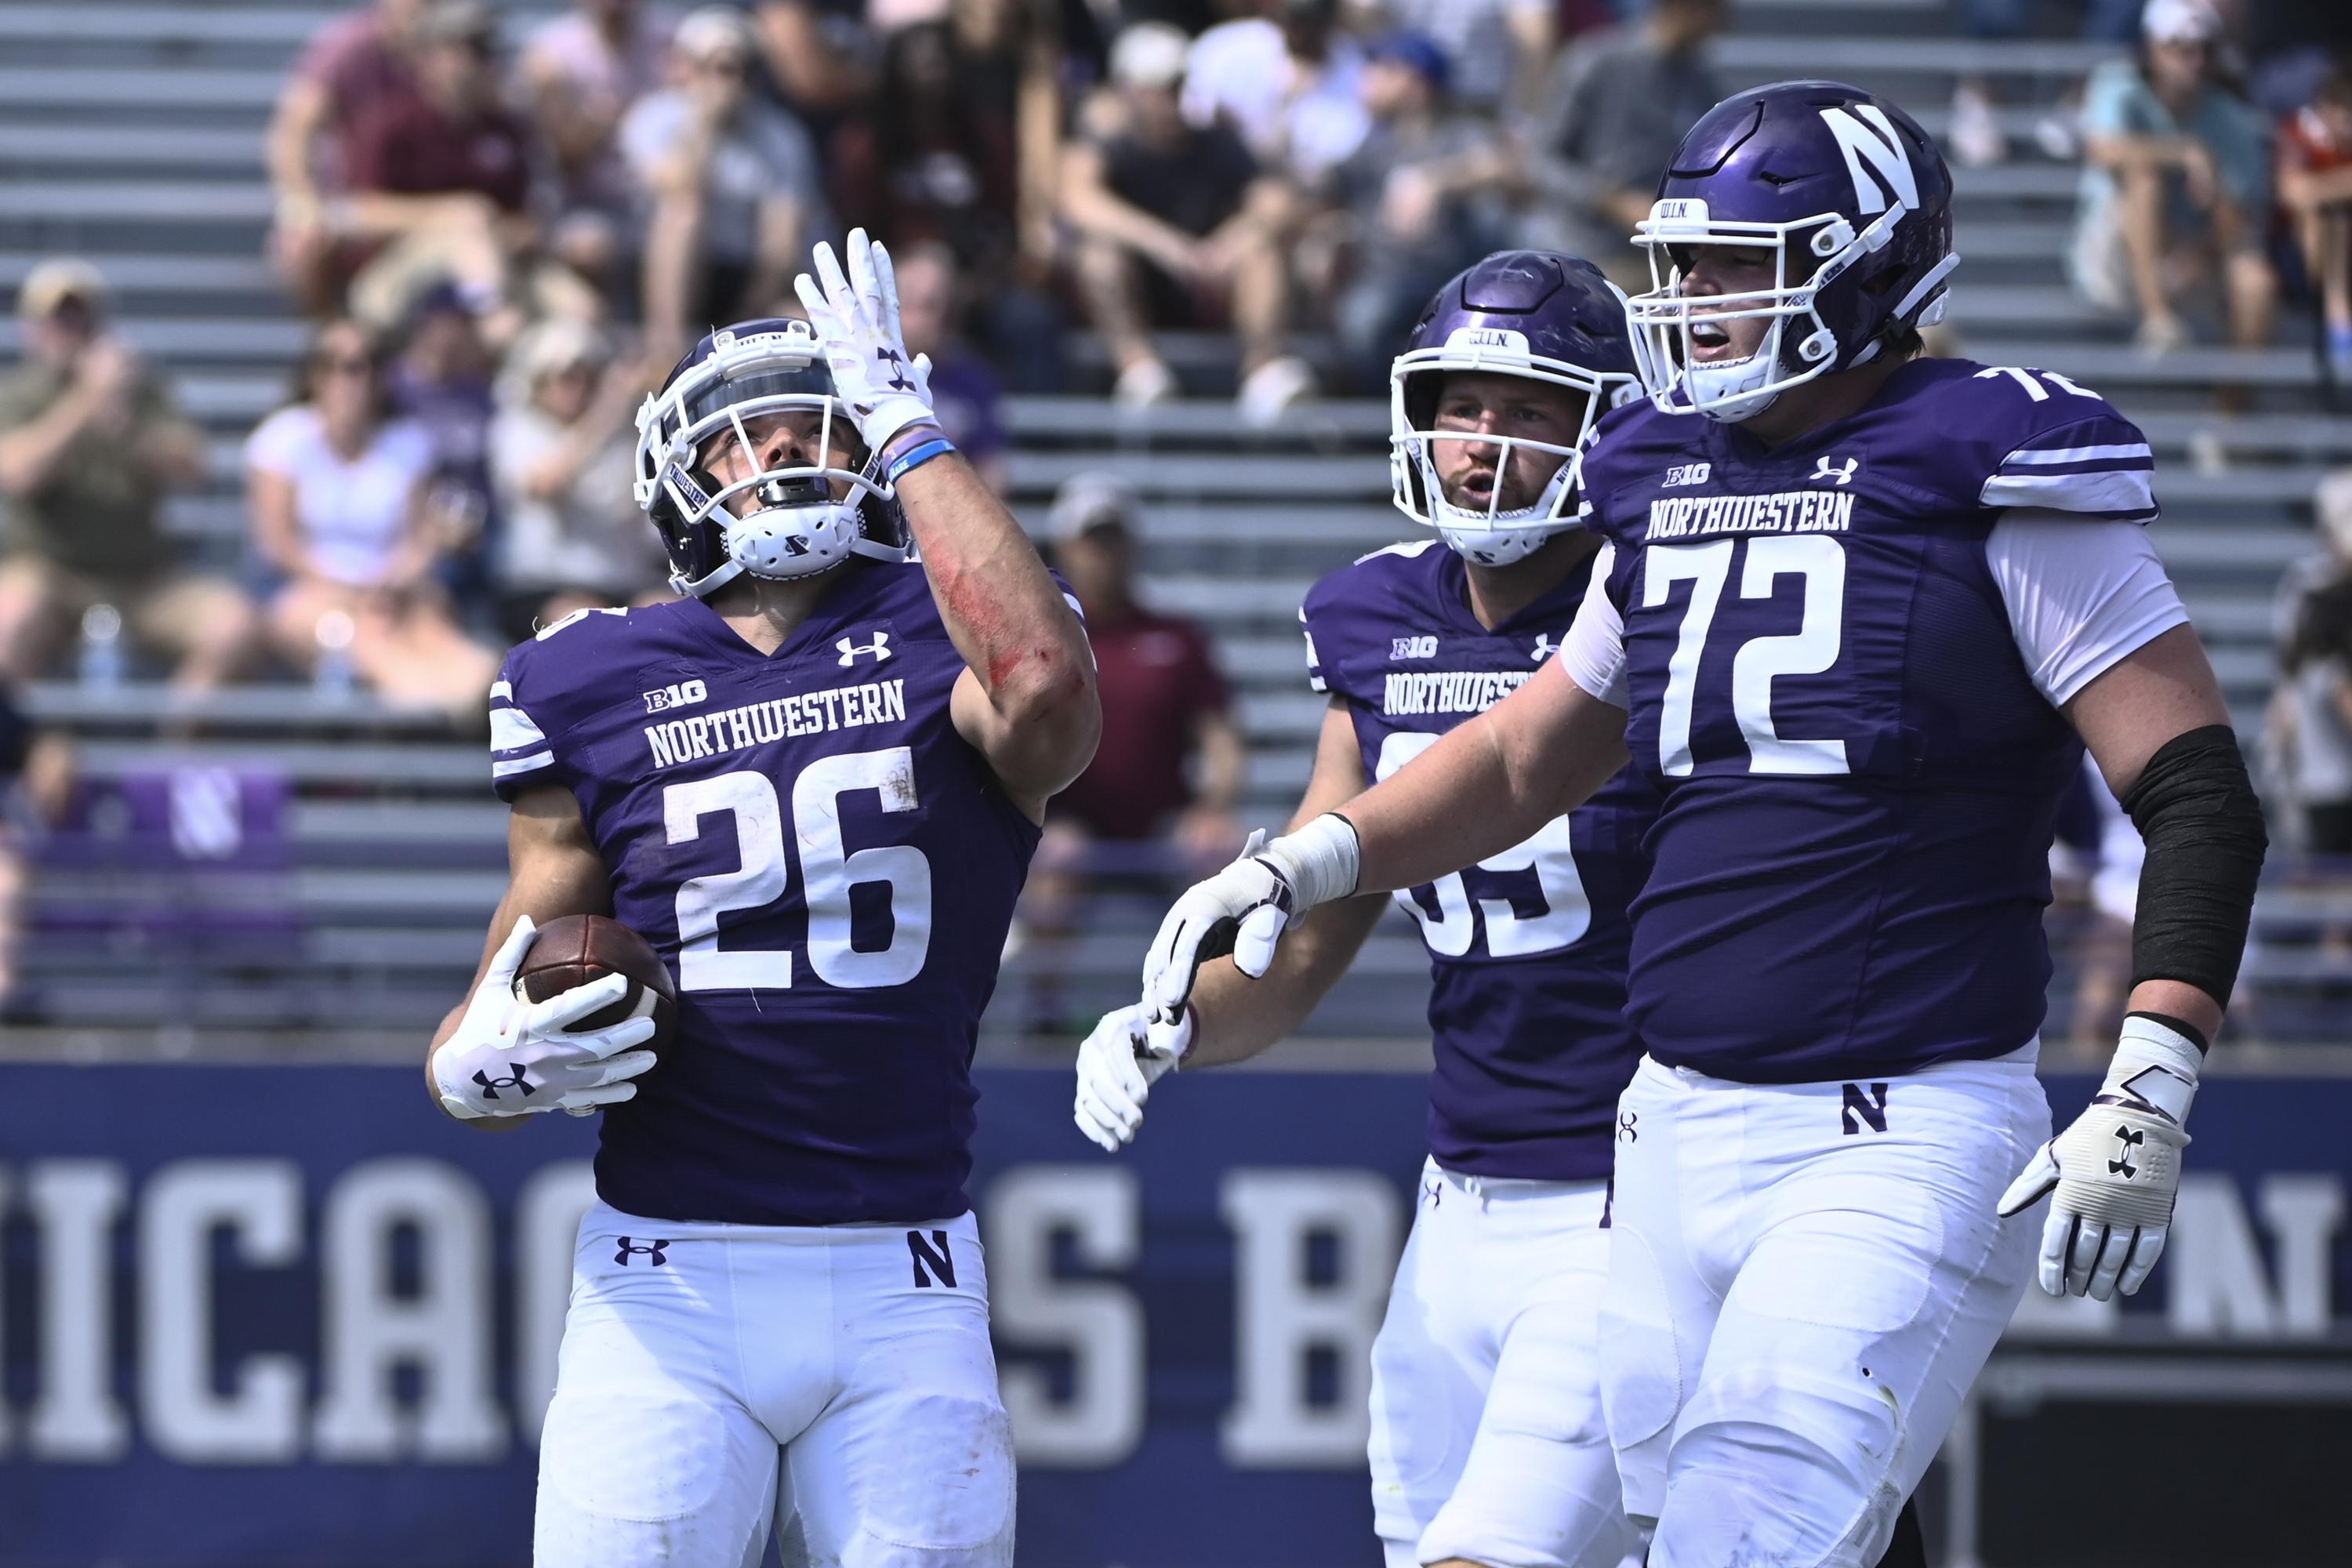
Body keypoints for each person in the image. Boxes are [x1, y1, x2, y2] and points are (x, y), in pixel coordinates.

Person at [1138, 81, 2267, 1566]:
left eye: (1742, 262)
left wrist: (2154, 1072)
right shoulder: (1663, 473)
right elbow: (1532, 749)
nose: (1696, 300)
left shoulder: (1981, 462)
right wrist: (1307, 859)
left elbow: (2194, 788)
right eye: (1685, 265)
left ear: (1867, 263)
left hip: (1896, 1117)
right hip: (1668, 1131)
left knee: (1750, 1531)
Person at [426, 232, 1098, 1563]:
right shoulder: (584, 675)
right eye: (741, 438)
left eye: (811, 426)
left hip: (904, 1273)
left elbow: (1045, 692)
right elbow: (524, 944)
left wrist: (909, 422)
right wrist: (466, 1062)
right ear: (680, 474)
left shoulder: (940, 630)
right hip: (662, 1277)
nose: (779, 455)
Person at [1076, 249, 1655, 1568]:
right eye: (1463, 405)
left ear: (1602, 422)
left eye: (1527, 408)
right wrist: (1176, 1026)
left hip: (1635, 1196)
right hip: (1458, 1207)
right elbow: (1316, 929)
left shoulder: (1658, 606)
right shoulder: (1375, 614)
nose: (1484, 443)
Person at [0, 260, 257, 697]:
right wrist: (85, 404)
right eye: (58, 317)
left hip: (142, 579)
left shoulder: (142, 391)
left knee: (235, 626)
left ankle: (172, 751)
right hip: (49, 573)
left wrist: (128, 429)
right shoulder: (18, 393)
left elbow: (194, 468)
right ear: (34, 327)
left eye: (79, 315)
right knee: (8, 620)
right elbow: (18, 473)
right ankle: (28, 747)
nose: (70, 328)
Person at [1058, 20, 1314, 421]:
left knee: (1261, 252)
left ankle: (1262, 368)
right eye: (1156, 87)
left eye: (1176, 85)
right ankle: (1137, 366)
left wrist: (1227, 246)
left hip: (1212, 282)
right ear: (1129, 91)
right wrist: (1166, 245)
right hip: (1144, 282)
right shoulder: (1108, 148)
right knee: (1098, 257)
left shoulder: (1217, 142)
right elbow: (1077, 200)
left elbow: (1276, 202)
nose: (1169, 99)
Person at [245, 317, 499, 717]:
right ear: (313, 376)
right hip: (309, 588)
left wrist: (395, 580)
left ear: (381, 378)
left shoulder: (408, 443)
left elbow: (421, 537)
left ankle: (472, 683)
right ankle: (437, 698)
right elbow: (278, 543)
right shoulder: (283, 439)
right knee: (358, 634)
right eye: (332, 365)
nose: (349, 379)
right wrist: (347, 588)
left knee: (430, 625)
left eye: (362, 365)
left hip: (392, 588)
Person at [2072, 0, 2277, 359]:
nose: (2194, 61)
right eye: (2180, 49)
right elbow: (2103, 151)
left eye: (2204, 50)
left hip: (2195, 252)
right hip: (2115, 250)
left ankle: (2231, 409)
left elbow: (2240, 213)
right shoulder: (2118, 84)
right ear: (2152, 47)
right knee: (2144, 178)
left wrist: (2200, 250)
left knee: (2256, 282)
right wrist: (2185, 152)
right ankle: (2158, 317)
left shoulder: (2233, 118)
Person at [1321, 31, 1516, 390]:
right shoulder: (1376, 142)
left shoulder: (1458, 134)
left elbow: (1503, 166)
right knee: (1358, 312)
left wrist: (1436, 179)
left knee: (1367, 314)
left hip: (1446, 276)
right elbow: (1324, 189)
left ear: (1415, 82)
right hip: (1378, 274)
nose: (1369, 78)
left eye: (1383, 69)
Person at [623, 5, 827, 348]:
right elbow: (676, 185)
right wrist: (706, 124)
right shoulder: (655, 117)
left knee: (804, 322)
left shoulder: (781, 135)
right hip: (667, 269)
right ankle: (666, 348)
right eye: (719, 68)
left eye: (741, 69)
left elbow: (782, 242)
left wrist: (747, 313)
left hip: (744, 273)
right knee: (683, 214)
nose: (731, 83)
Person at [341, 0, 539, 332]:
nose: (483, 60)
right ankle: (493, 321)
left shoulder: (505, 129)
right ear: (429, 57)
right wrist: (452, 214)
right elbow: (361, 213)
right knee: (467, 237)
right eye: (471, 47)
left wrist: (504, 230)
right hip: (404, 263)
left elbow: (526, 220)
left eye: (487, 47)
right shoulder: (392, 124)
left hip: (500, 257)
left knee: (579, 307)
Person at [488, 319, 670, 641]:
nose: (579, 388)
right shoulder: (518, 429)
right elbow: (543, 486)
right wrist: (608, 409)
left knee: (672, 615)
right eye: (567, 378)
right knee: (585, 625)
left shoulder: (629, 434)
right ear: (539, 380)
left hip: (623, 579)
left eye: (589, 377)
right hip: (544, 584)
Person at [1524, 0, 1727, 281]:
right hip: (1585, 258)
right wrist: (1610, 200)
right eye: (1718, 11)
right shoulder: (1595, 60)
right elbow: (1539, 160)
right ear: (1684, 7)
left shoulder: (1699, 79)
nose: (1725, 25)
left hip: (1664, 261)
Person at [264, 0, 432, 314]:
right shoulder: (349, 47)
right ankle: (334, 339)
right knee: (301, 245)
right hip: (359, 205)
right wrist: (302, 203)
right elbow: (291, 133)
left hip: (425, 200)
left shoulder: (451, 49)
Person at [2277, 60, 2352, 399]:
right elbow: (2296, 193)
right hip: (2297, 260)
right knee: (2328, 216)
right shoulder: (2299, 133)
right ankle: (2339, 319)